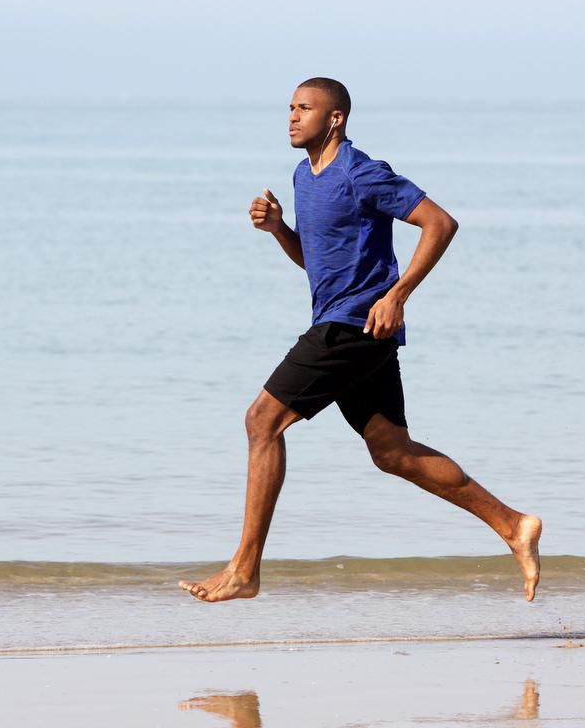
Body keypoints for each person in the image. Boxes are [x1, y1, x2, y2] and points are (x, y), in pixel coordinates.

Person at [179, 78, 542, 603]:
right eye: (289, 108)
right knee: (392, 452)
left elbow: (440, 223)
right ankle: (513, 525)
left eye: (305, 108)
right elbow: (317, 263)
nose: (292, 116)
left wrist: (398, 295)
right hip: (352, 324)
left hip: (352, 326)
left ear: (335, 119)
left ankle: (244, 569)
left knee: (262, 420)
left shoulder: (361, 171)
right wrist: (281, 230)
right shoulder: (305, 177)